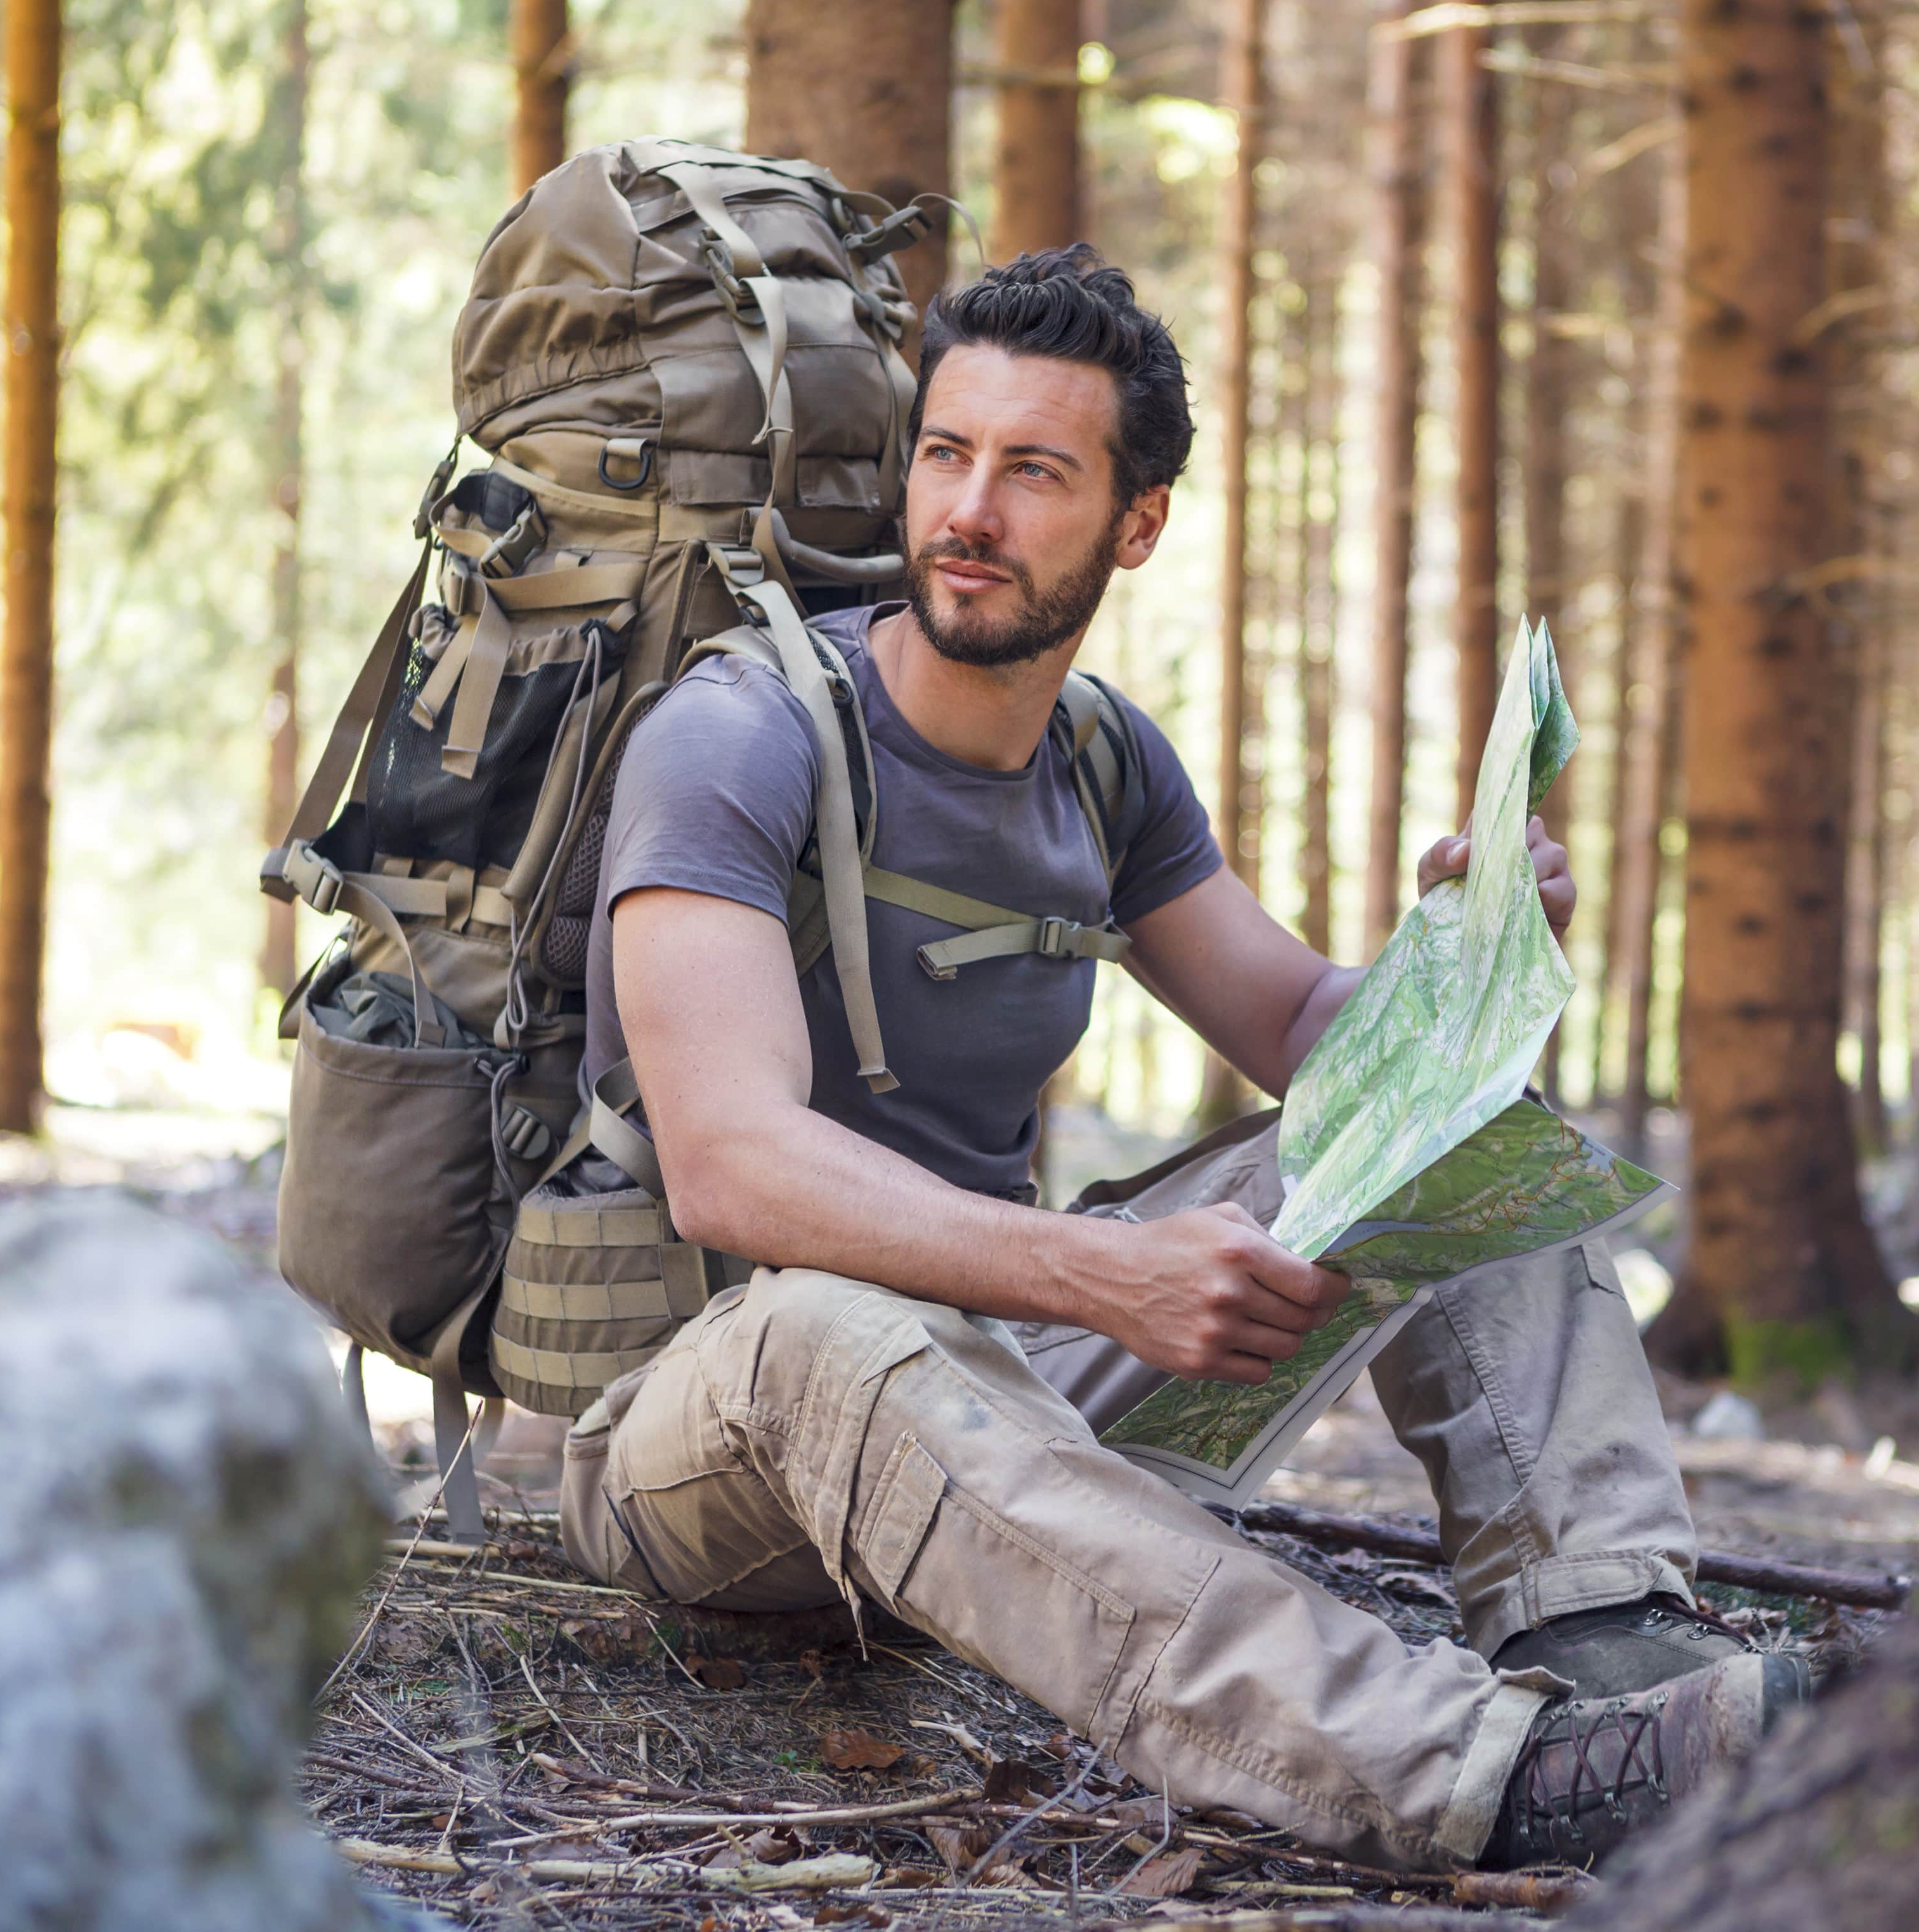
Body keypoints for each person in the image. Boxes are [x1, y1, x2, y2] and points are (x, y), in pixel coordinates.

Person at [557, 247, 1806, 1870]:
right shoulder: (742, 735)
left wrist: (1460, 960)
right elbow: (731, 1159)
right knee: (822, 1330)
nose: (968, 511)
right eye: (946, 453)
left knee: (1453, 1120)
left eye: (1033, 470)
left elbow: (1298, 1027)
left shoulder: (1100, 758)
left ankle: (1614, 1640)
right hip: (704, 1430)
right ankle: (1484, 1776)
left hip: (997, 1393)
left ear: (1134, 524)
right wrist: (1102, 1271)